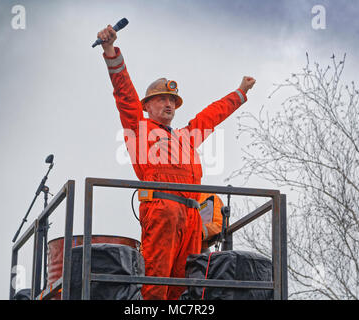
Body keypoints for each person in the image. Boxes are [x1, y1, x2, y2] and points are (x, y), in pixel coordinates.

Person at [97, 24, 256, 300]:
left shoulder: (186, 136)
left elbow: (211, 116)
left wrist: (239, 93)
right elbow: (124, 95)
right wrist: (111, 51)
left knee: (185, 289)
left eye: (172, 100)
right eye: (161, 100)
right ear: (147, 106)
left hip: (192, 217)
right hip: (162, 210)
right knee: (155, 284)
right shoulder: (139, 129)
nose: (168, 104)